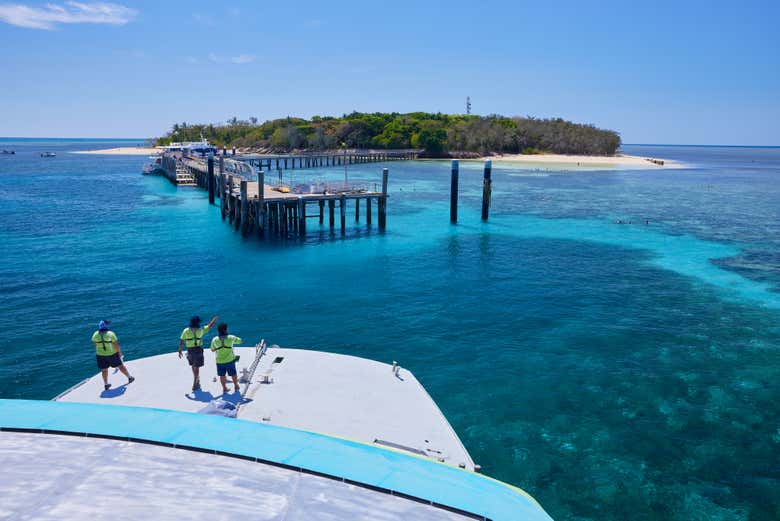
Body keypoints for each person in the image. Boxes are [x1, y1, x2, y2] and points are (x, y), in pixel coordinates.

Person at [92, 320, 134, 391]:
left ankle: (106, 384)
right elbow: (116, 345)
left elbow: (95, 345)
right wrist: (119, 353)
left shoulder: (95, 334)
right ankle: (129, 377)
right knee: (120, 366)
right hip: (112, 354)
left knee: (104, 370)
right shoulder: (111, 334)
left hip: (100, 355)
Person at [178, 315, 218, 391]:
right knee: (196, 366)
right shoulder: (201, 330)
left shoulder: (186, 330)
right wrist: (214, 319)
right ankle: (195, 382)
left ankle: (196, 378)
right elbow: (210, 326)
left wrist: (180, 350)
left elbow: (182, 340)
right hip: (198, 349)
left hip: (190, 350)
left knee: (193, 365)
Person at [210, 323, 242, 394]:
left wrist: (219, 348)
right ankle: (236, 386)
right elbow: (240, 341)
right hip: (230, 360)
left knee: (222, 375)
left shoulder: (214, 340)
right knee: (233, 374)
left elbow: (212, 350)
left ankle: (224, 388)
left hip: (219, 361)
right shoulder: (231, 337)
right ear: (226, 329)